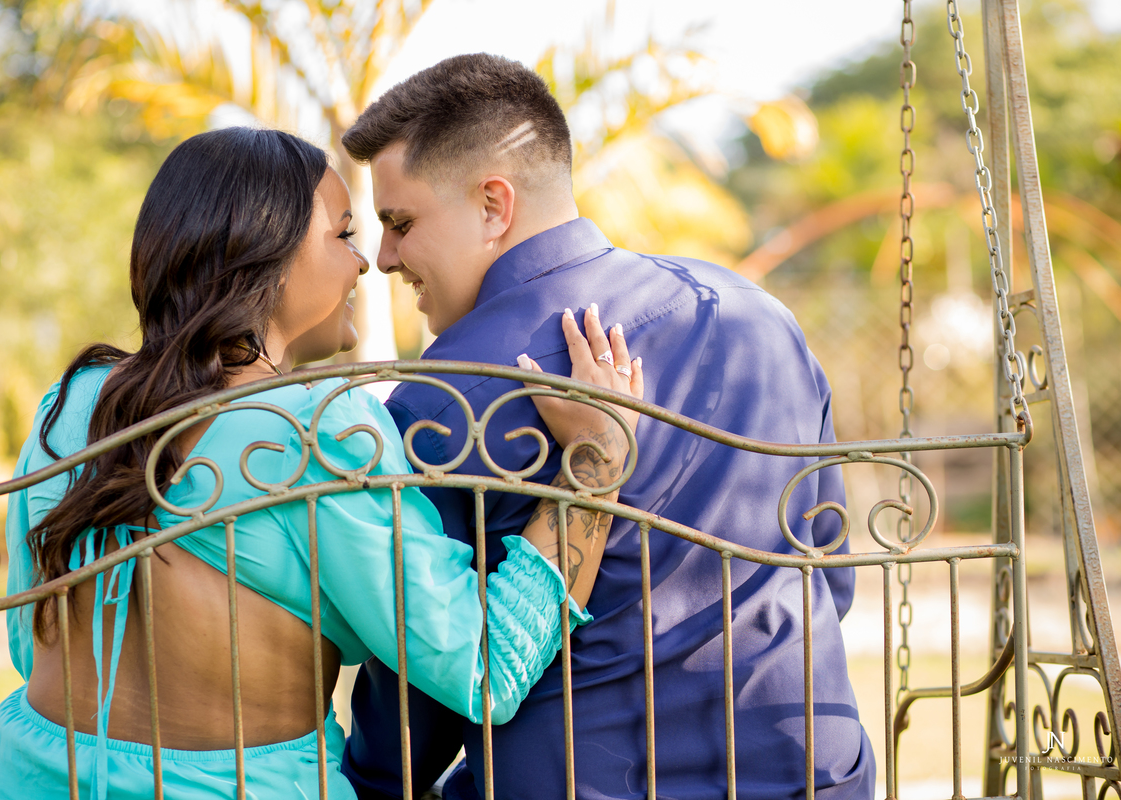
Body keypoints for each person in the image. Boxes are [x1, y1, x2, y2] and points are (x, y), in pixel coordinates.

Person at [0, 126, 643, 799]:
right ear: (267, 258)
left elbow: (33, 643)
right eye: (344, 235)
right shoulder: (317, 432)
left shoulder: (74, 402)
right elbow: (486, 664)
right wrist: (598, 456)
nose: (365, 264)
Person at [340, 54, 875, 799]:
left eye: (400, 223)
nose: (385, 258)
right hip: (810, 769)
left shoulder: (447, 398)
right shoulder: (759, 315)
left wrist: (367, 782)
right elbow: (828, 571)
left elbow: (428, 680)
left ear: (493, 205)